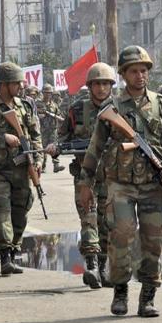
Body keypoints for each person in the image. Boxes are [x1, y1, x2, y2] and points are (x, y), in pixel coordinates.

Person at [78, 45, 162, 317]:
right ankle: (120, 291)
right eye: (134, 71)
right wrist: (85, 184)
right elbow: (95, 148)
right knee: (122, 234)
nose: (141, 76)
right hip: (121, 183)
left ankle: (148, 296)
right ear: (124, 74)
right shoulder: (111, 108)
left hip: (154, 184)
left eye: (144, 71)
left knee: (153, 240)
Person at [48, 62, 115, 289]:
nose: (101, 88)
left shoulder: (120, 109)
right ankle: (92, 265)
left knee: (108, 224)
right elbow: (63, 136)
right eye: (97, 84)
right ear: (89, 86)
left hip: (113, 176)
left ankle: (103, 266)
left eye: (105, 83)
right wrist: (56, 147)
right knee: (89, 218)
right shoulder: (77, 110)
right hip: (85, 175)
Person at [0, 62, 43, 276]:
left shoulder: (26, 106)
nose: (20, 86)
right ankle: (4, 256)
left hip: (23, 168)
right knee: (3, 209)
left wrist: (38, 160)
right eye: (16, 83)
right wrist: (2, 138)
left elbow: (35, 136)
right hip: (0, 169)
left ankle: (13, 252)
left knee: (21, 211)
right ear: (3, 85)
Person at [37, 83, 65, 174]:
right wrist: (39, 115)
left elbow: (59, 115)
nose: (48, 94)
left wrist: (60, 121)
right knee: (43, 148)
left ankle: (56, 165)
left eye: (49, 93)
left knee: (54, 147)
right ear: (43, 93)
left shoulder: (54, 105)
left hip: (53, 129)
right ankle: (42, 166)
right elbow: (33, 115)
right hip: (42, 129)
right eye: (46, 92)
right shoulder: (38, 103)